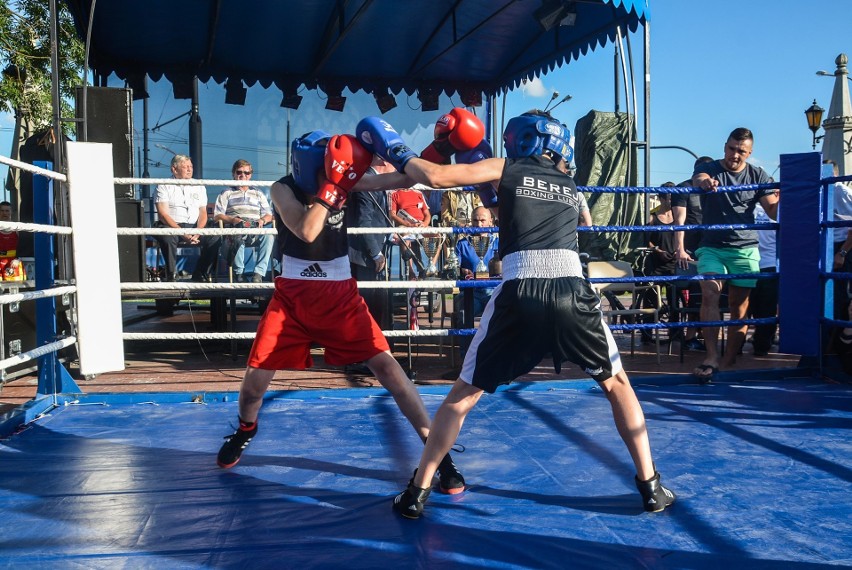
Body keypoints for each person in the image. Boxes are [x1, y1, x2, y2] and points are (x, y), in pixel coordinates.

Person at [356, 109, 676, 518]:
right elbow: (513, 204)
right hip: (572, 288)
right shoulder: (569, 184)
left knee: (462, 397)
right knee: (618, 385)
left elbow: (433, 178)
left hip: (521, 287)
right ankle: (651, 486)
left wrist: (394, 146)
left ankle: (417, 493)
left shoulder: (507, 166)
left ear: (519, 140)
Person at [216, 130, 464, 496]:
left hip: (340, 296)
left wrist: (437, 149)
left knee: (388, 369)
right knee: (254, 385)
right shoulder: (282, 188)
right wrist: (334, 185)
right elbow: (305, 229)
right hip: (292, 299)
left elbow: (404, 177)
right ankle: (245, 430)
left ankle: (438, 455)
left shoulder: (348, 181)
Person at [676, 128, 779, 383]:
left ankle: (730, 359)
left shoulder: (757, 174)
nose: (735, 155)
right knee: (709, 292)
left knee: (739, 306)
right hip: (711, 246)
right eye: (732, 149)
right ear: (725, 146)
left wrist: (786, 196)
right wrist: (705, 183)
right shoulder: (711, 168)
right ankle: (711, 357)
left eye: (741, 151)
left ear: (750, 152)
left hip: (744, 249)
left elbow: (774, 213)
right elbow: (699, 177)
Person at [154, 155, 221, 282]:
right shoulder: (163, 185)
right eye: (185, 167)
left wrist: (198, 231)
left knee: (215, 236)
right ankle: (171, 275)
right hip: (172, 226)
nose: (190, 170)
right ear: (174, 169)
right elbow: (163, 215)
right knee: (167, 237)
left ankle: (201, 273)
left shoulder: (199, 186)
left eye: (191, 166)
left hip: (195, 226)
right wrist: (181, 232)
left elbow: (203, 213)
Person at [672, 156, 713, 351]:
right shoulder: (683, 188)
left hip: (710, 247)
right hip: (690, 250)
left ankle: (705, 334)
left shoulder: (713, 188)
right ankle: (688, 337)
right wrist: (679, 248)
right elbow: (679, 221)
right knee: (694, 292)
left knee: (711, 292)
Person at [213, 159, 274, 283]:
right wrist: (233, 220)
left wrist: (262, 220)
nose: (243, 175)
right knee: (237, 234)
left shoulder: (258, 192)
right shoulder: (226, 192)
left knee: (270, 235)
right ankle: (239, 274)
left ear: (250, 175)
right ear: (233, 174)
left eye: (246, 173)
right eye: (239, 172)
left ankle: (259, 273)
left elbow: (269, 214)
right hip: (236, 228)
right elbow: (217, 216)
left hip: (255, 229)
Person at [454, 205, 499, 360]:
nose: (478, 224)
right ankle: (465, 358)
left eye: (482, 220)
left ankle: (496, 356)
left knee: (504, 312)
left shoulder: (499, 242)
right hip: (470, 292)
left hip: (494, 291)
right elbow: (454, 267)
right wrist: (462, 271)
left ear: (491, 222)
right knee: (463, 313)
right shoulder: (462, 244)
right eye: (475, 220)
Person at [747, 202, 778, 356]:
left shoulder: (747, 209)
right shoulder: (778, 213)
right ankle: (762, 346)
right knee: (767, 309)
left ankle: (737, 346)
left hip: (749, 263)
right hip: (769, 264)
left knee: (744, 308)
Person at [390, 186, 430, 279]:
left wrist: (424, 224)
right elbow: (392, 214)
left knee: (438, 236)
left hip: (421, 225)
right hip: (405, 225)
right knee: (406, 236)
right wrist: (408, 224)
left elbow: (427, 214)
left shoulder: (419, 193)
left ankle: (430, 269)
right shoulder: (394, 193)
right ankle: (411, 272)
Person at [0, 201, 24, 281]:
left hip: (13, 263)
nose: (4, 213)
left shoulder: (17, 228)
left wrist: (18, 259)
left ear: (11, 212)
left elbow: (23, 246)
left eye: (7, 211)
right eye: (2, 211)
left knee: (14, 289)